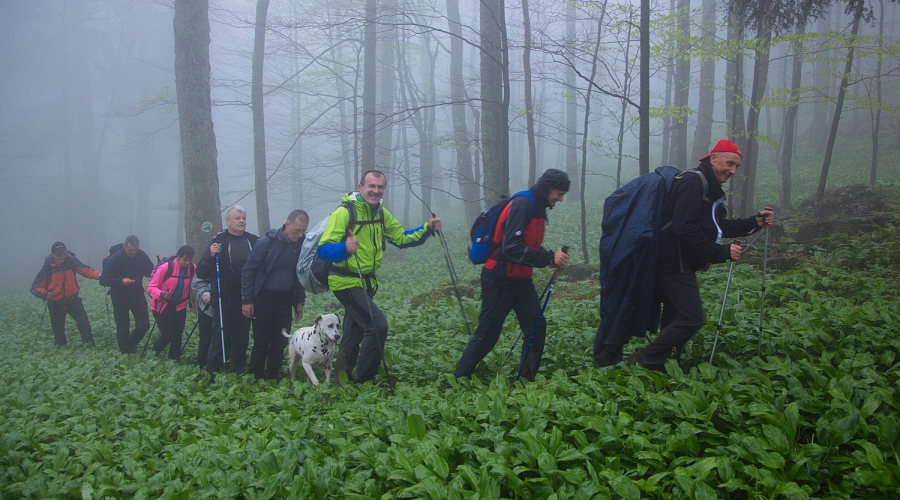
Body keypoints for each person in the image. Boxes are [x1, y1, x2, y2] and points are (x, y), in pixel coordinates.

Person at [595, 139, 775, 370]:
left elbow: (716, 226)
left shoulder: (707, 187)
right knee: (692, 318)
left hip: (677, 262)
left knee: (675, 317)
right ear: (713, 158)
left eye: (736, 167)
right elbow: (684, 229)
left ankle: (667, 364)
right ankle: (646, 360)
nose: (732, 170)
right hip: (673, 265)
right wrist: (720, 252)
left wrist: (754, 222)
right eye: (729, 163)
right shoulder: (693, 182)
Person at [318, 170, 441, 384]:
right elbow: (324, 250)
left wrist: (427, 228)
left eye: (380, 187)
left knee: (354, 331)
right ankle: (364, 381)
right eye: (371, 186)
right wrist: (345, 248)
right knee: (377, 325)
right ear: (361, 187)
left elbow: (401, 238)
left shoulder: (381, 213)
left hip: (366, 282)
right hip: (346, 281)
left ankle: (340, 379)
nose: (376, 191)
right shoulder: (345, 213)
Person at [454, 169, 571, 381]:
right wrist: (547, 258)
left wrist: (551, 259)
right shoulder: (522, 204)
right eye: (559, 193)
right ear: (547, 188)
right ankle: (460, 377)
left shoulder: (537, 207)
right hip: (498, 279)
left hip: (521, 281)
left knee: (536, 327)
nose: (560, 199)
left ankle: (526, 380)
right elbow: (511, 248)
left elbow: (527, 245)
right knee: (488, 333)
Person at [241, 210, 309, 380]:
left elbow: (300, 275)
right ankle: (255, 376)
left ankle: (272, 376)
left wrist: (299, 301)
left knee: (280, 342)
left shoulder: (301, 245)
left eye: (303, 231)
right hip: (263, 299)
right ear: (287, 224)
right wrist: (247, 300)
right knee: (261, 342)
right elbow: (248, 272)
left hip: (284, 300)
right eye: (297, 230)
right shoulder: (266, 243)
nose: (300, 234)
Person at [195, 205, 258, 377]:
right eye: (237, 218)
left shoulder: (253, 241)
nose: (241, 221)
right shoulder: (219, 240)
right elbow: (201, 272)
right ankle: (212, 373)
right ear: (228, 221)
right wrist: (210, 255)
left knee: (242, 339)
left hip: (246, 299)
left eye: (244, 218)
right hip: (223, 299)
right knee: (219, 338)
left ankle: (238, 372)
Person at [30, 241, 101, 346]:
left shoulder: (72, 262)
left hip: (73, 300)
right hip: (55, 302)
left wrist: (99, 275)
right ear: (52, 255)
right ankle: (61, 348)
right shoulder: (47, 268)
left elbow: (86, 271)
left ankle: (89, 344)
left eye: (64, 254)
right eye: (59, 255)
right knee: (58, 328)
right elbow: (35, 287)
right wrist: (45, 294)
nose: (62, 257)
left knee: (84, 323)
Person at [100, 235, 154, 353]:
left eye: (136, 249)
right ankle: (125, 352)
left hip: (137, 294)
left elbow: (149, 271)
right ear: (124, 246)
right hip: (119, 296)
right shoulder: (115, 259)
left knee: (144, 325)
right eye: (130, 250)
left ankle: (130, 346)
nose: (133, 252)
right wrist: (121, 281)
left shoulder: (141, 255)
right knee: (123, 326)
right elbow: (103, 280)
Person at [147, 245, 196, 359]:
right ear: (178, 257)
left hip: (180, 305)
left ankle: (174, 359)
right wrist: (160, 294)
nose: (187, 263)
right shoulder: (166, 267)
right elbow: (151, 287)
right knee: (168, 334)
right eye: (185, 259)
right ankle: (154, 352)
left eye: (190, 260)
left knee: (178, 334)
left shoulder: (193, 268)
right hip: (162, 305)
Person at [190, 275, 215, 367]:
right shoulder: (207, 261)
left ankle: (219, 362)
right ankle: (201, 362)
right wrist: (204, 294)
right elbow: (197, 281)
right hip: (207, 308)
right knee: (206, 337)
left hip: (230, 309)